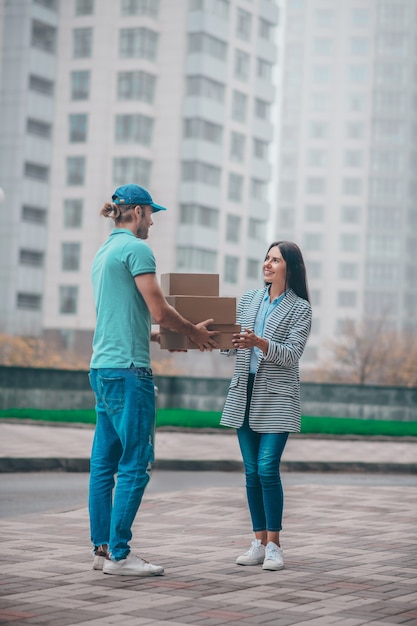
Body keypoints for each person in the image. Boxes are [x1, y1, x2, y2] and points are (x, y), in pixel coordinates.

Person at [88, 183, 218, 577]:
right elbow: (159, 309)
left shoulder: (103, 251)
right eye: (152, 214)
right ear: (140, 212)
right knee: (136, 463)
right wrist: (192, 332)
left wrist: (162, 337)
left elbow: (122, 319)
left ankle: (102, 549)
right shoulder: (137, 249)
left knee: (103, 465)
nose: (153, 222)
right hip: (129, 373)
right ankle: (120, 556)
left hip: (102, 368)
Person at [220, 241, 311, 571]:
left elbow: (291, 355)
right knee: (250, 472)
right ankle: (258, 541)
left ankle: (275, 545)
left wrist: (259, 342)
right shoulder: (249, 300)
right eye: (267, 258)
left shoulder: (300, 308)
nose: (268, 264)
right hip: (244, 391)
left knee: (267, 468)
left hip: (277, 397)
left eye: (276, 260)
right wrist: (225, 342)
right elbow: (231, 348)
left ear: (291, 267)